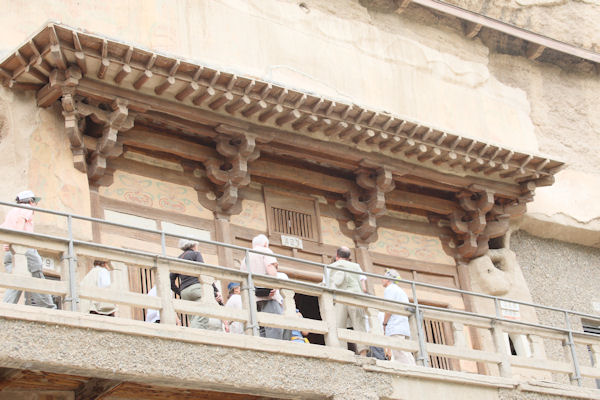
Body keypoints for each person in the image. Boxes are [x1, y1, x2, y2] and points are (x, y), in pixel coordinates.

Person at [2, 190, 56, 309]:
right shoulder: (26, 208)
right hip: (24, 247)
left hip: (10, 251)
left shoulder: (11, 211)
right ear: (30, 201)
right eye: (34, 201)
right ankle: (48, 307)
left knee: (16, 280)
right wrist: (18, 240)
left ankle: (5, 306)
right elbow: (20, 222)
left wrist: (8, 243)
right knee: (37, 273)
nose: (36, 204)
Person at [240, 234, 283, 339]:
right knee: (274, 327)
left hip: (253, 298)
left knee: (260, 329)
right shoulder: (265, 251)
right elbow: (270, 269)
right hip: (268, 296)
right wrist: (275, 285)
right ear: (265, 244)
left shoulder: (245, 258)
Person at [327, 246, 368, 356]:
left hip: (340, 299)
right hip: (355, 297)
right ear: (349, 257)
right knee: (359, 324)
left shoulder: (331, 267)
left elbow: (327, 285)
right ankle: (363, 352)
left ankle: (342, 352)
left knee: (339, 325)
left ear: (337, 256)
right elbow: (364, 287)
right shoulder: (356, 266)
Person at [170, 238, 219, 330]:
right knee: (204, 312)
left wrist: (180, 292)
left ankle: (194, 332)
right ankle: (197, 334)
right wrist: (215, 291)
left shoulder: (178, 259)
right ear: (194, 245)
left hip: (185, 292)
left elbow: (170, 280)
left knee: (193, 317)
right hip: (196, 288)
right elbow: (204, 272)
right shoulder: (196, 254)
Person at [382, 268, 416, 365]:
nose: (382, 279)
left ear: (388, 279)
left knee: (400, 352)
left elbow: (389, 308)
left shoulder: (390, 289)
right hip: (402, 324)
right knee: (404, 351)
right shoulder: (399, 290)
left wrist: (384, 323)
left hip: (395, 324)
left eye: (383, 277)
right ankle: (414, 368)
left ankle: (411, 371)